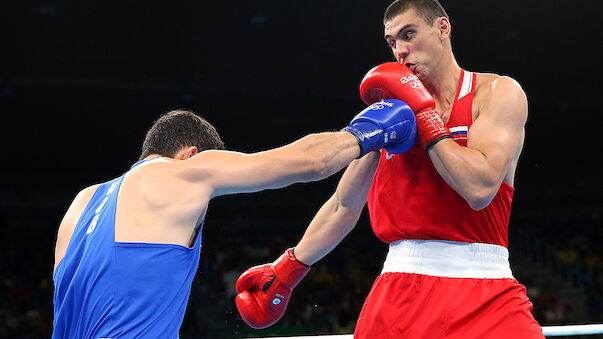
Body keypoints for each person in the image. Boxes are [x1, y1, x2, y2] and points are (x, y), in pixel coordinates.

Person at [234, 0, 544, 338]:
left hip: (487, 291)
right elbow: (344, 205)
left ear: (443, 28)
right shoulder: (390, 115)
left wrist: (424, 118)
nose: (401, 50)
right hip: (400, 294)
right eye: (392, 42)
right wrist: (289, 268)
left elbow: (480, 189)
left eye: (409, 35)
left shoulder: (497, 93)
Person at [51, 101, 418, 338]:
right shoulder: (185, 173)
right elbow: (311, 162)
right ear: (192, 154)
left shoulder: (82, 202)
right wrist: (369, 132)